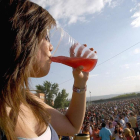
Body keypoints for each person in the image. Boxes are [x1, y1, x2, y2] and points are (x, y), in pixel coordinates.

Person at [0, 0, 92, 139]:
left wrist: (80, 83)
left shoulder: (26, 98)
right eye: (46, 36)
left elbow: (71, 126)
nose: (51, 46)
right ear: (23, 37)